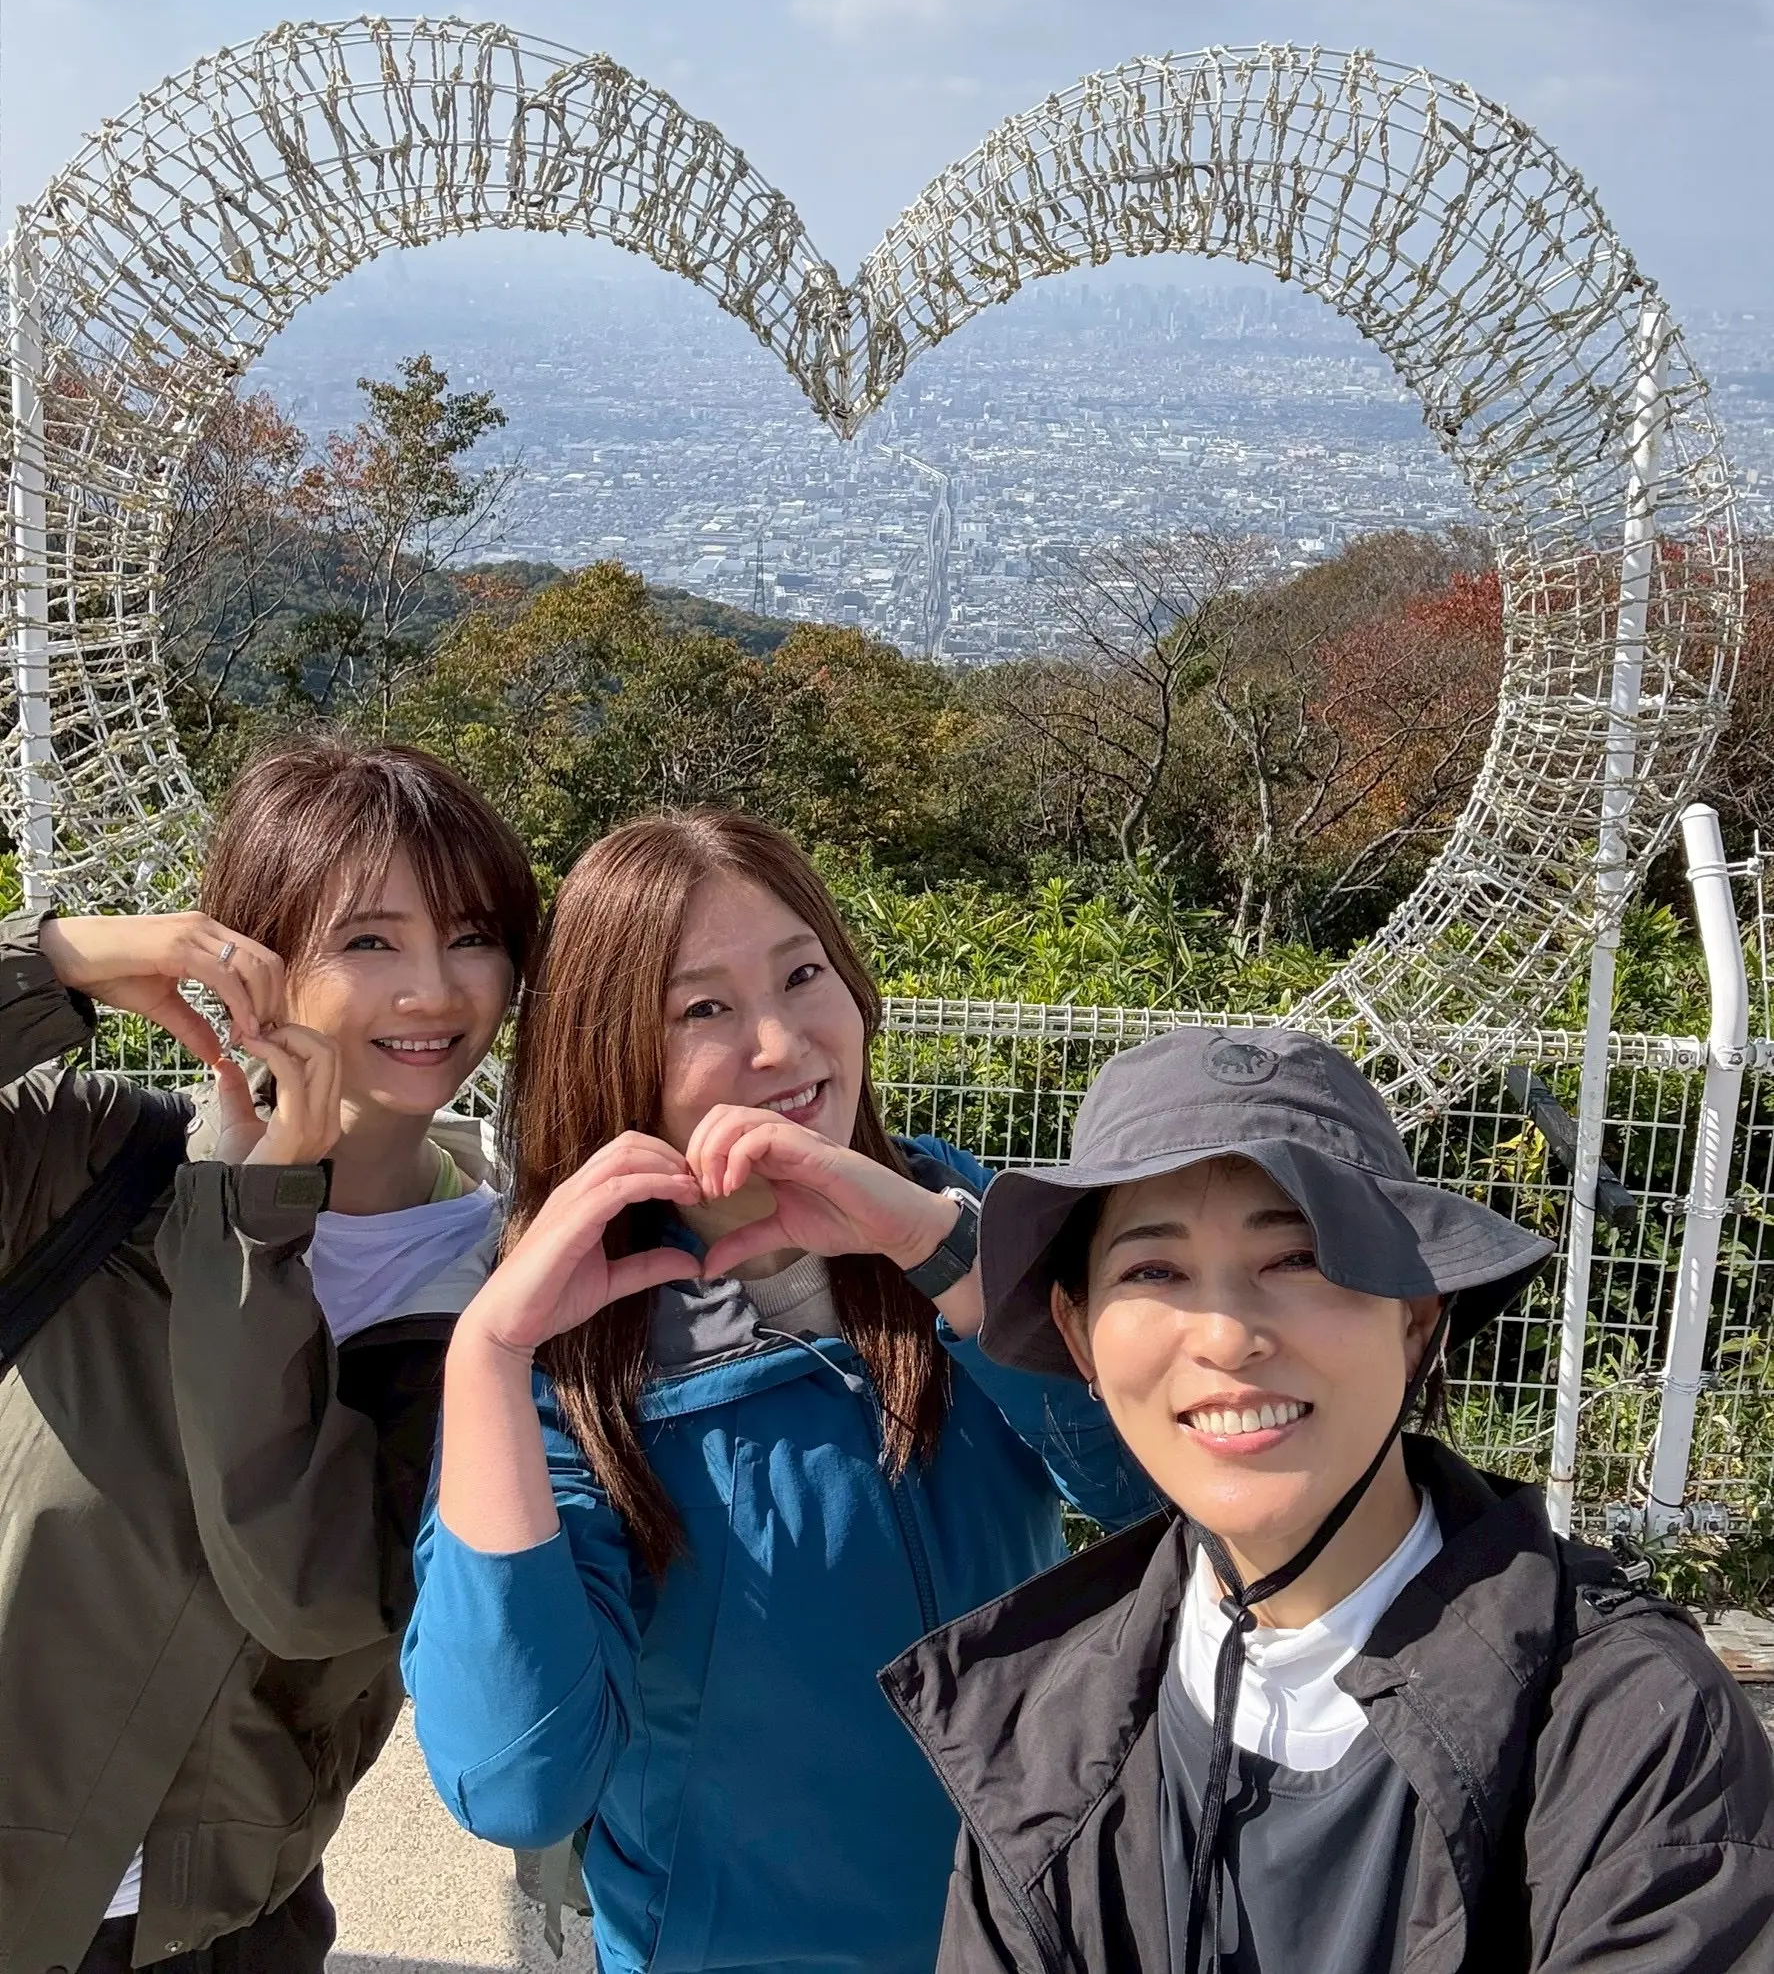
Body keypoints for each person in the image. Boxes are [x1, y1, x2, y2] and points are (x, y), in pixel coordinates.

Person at [403, 809, 1155, 1974]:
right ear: (615, 1059)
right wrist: (489, 1361)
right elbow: (517, 1778)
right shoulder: (573, 1355)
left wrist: (939, 1249)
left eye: (803, 973)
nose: (780, 1041)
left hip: (1034, 1938)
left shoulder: (960, 1221)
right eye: (702, 1008)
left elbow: (1161, 1493)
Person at [881, 1026, 1774, 1974]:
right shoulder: (1033, 1729)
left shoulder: (1632, 1724)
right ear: (1083, 1335)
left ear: (1416, 1315)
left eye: (1299, 1259)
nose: (1226, 1338)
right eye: (1153, 1272)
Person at [0, 739, 539, 1974]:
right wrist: (59, 960)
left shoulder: (503, 1299)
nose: (434, 990)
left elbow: (315, 1600)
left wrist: (254, 1223)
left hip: (206, 1938)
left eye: (471, 935)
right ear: (252, 955)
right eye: (368, 941)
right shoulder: (86, 1172)